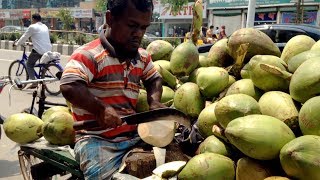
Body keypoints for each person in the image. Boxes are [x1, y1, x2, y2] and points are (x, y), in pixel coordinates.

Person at [60, 0, 165, 179]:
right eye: (132, 26)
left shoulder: (142, 57)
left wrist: (154, 101)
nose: (138, 34)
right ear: (110, 18)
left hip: (133, 136)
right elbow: (70, 85)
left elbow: (154, 78)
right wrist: (101, 109)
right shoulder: (90, 55)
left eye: (144, 28)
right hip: (95, 140)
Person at [14, 13, 52, 89]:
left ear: (33, 19)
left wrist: (17, 44)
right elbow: (41, 39)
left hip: (39, 51)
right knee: (42, 65)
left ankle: (34, 82)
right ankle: (42, 79)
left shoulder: (32, 27)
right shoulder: (45, 26)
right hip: (48, 50)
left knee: (29, 64)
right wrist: (32, 43)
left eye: (32, 19)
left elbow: (24, 37)